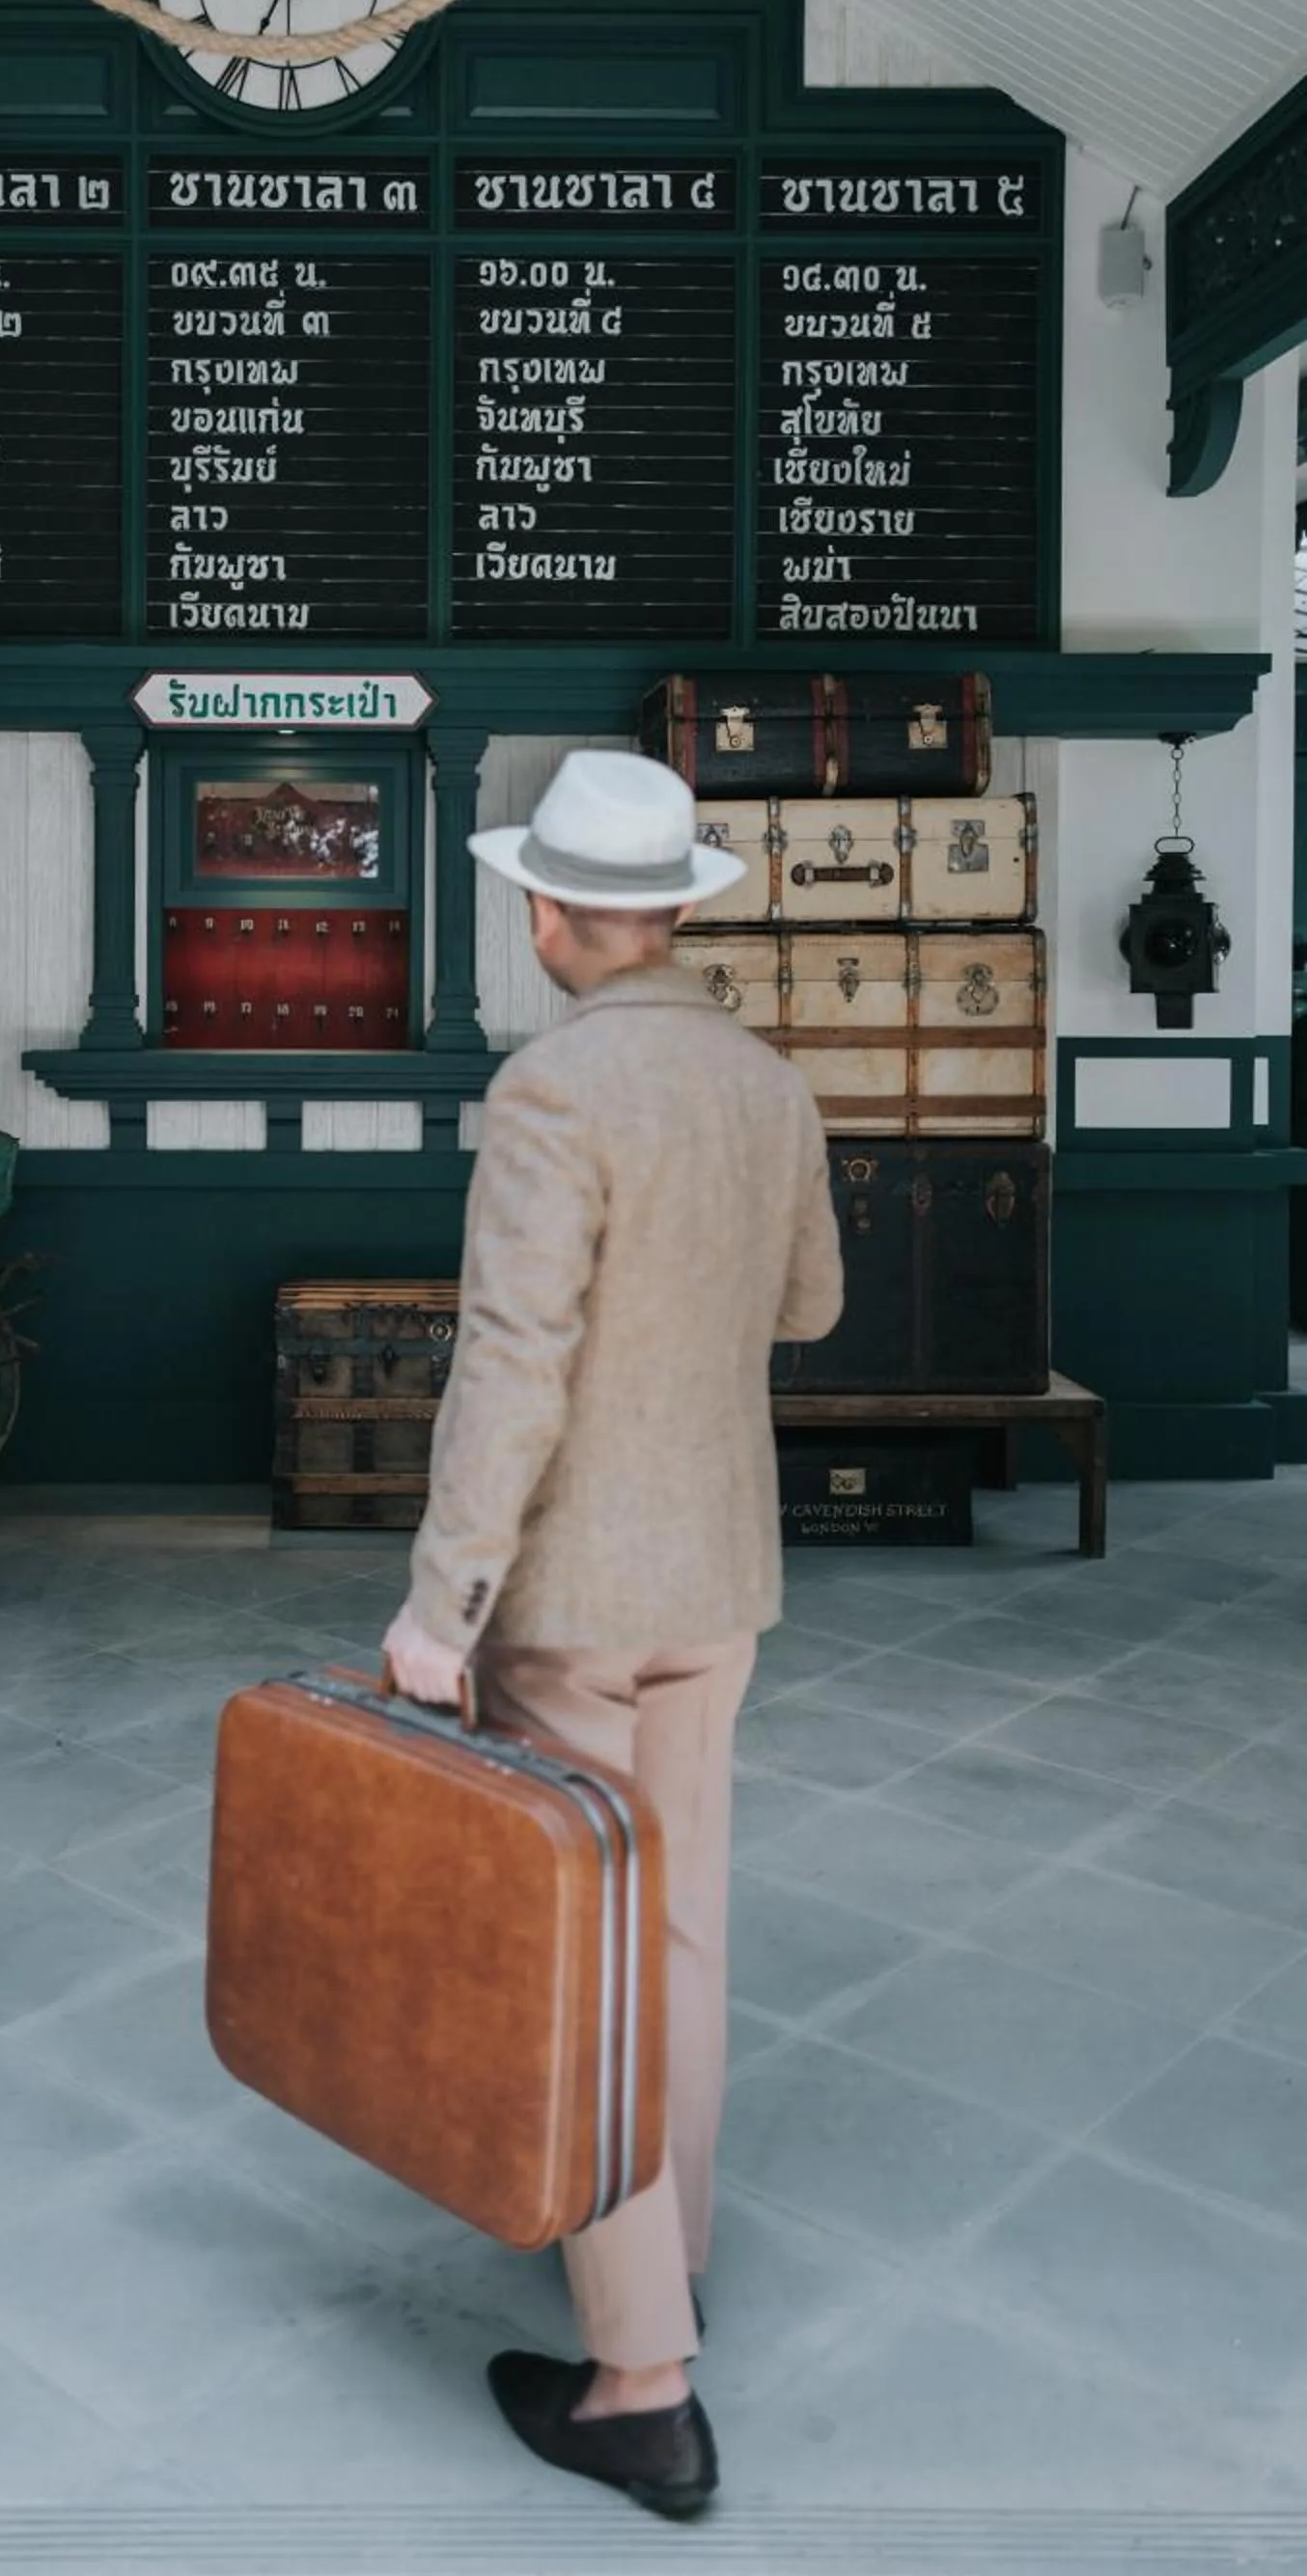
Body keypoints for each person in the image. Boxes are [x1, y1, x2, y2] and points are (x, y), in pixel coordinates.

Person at [381, 746, 845, 2523]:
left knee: (573, 1967)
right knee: (680, 1937)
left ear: (550, 914)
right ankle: (663, 2252)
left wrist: (442, 1609)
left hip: (571, 1596)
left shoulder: (551, 1091)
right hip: (717, 1576)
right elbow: (805, 1304)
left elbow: (510, 1368)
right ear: (677, 913)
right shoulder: (761, 1078)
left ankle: (638, 2383)